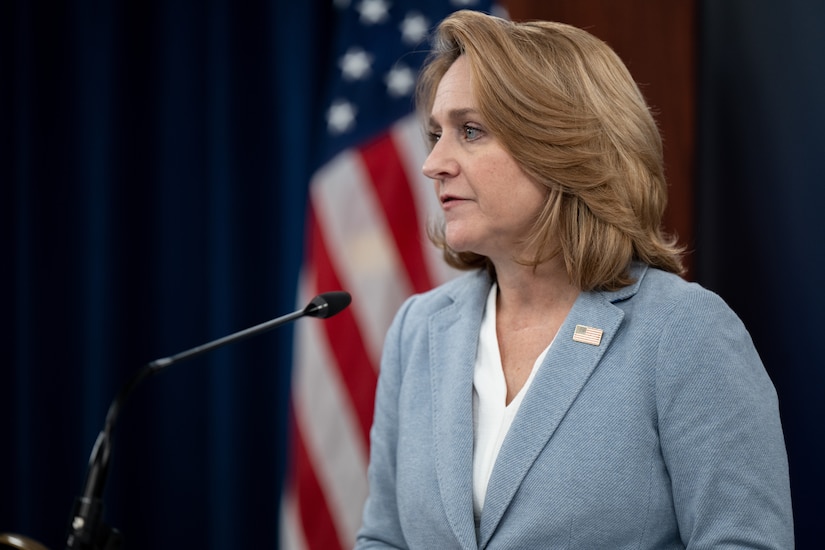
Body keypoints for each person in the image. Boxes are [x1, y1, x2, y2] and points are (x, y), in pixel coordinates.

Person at [355, 10, 793, 549]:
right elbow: (384, 539)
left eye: (470, 131)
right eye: (435, 134)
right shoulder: (417, 329)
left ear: (564, 148)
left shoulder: (683, 330)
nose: (434, 163)